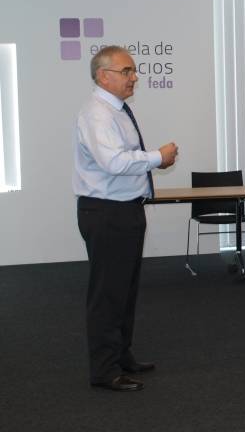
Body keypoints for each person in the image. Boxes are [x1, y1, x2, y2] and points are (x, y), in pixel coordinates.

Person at [74, 45, 178, 392]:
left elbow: (124, 158)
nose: (134, 77)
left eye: (134, 71)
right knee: (108, 293)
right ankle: (104, 370)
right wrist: (156, 157)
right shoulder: (97, 114)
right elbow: (114, 163)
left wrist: (152, 160)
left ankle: (121, 356)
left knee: (126, 289)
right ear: (104, 75)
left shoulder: (118, 111)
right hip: (106, 212)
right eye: (127, 71)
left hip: (125, 209)